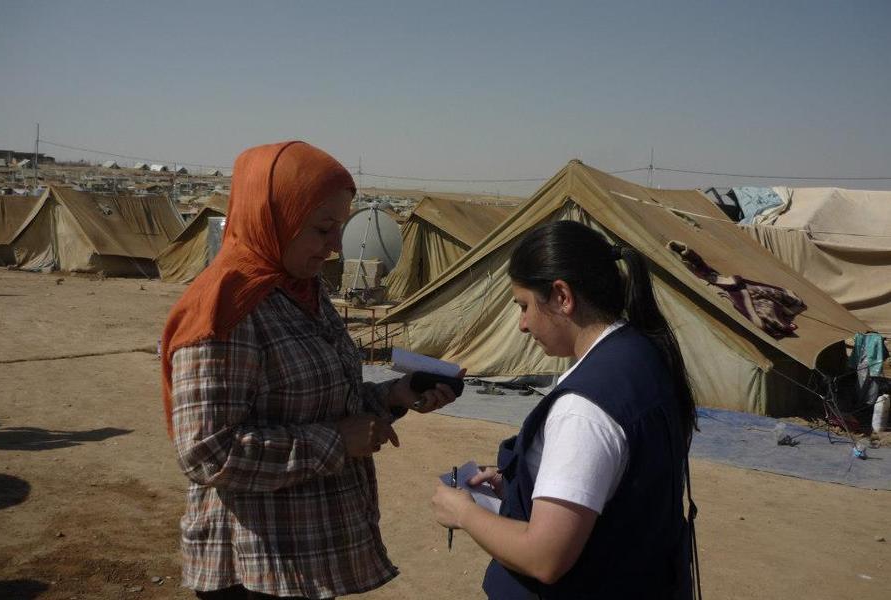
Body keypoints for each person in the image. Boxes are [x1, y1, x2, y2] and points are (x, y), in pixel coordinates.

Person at [161, 141, 458, 600]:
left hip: (308, 557)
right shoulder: (226, 309)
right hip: (253, 567)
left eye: (339, 228)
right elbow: (206, 452)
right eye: (323, 229)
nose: (337, 246)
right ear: (274, 218)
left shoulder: (304, 288)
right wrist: (337, 441)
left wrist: (396, 396)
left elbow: (325, 400)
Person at [431, 220, 698, 599]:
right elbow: (617, 493)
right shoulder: (641, 354)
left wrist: (465, 514)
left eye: (524, 306)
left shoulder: (584, 409)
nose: (523, 325)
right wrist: (522, 488)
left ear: (561, 296)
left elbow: (545, 557)